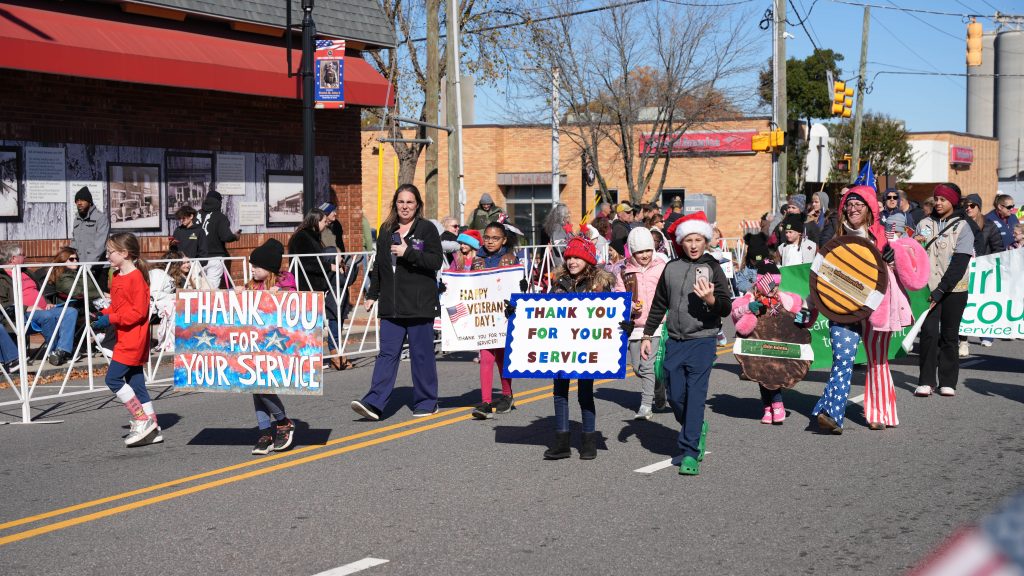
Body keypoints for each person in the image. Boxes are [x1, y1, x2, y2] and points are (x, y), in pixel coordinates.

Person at [811, 186, 930, 434]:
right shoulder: (834, 236)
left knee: (877, 361)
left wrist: (895, 254)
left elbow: (907, 267)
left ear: (869, 209)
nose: (853, 209)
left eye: (859, 204)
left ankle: (879, 412)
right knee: (843, 359)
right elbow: (819, 272)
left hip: (876, 306)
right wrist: (809, 306)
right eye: (849, 205)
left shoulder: (883, 235)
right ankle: (832, 415)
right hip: (842, 308)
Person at [640, 212, 731, 475]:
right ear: (681, 241)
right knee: (676, 396)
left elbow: (725, 307)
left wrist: (712, 300)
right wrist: (647, 335)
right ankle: (696, 425)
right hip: (675, 341)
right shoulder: (671, 267)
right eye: (688, 240)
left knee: (696, 395)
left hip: (702, 340)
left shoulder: (713, 267)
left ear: (705, 241)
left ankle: (689, 451)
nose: (693, 245)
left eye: (698, 240)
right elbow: (659, 304)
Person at [351, 184, 443, 421]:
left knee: (421, 354)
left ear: (417, 205)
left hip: (418, 304)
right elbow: (379, 266)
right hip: (391, 305)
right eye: (401, 202)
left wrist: (408, 252)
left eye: (409, 202)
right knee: (387, 354)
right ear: (395, 204)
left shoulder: (427, 229)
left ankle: (426, 401)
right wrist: (373, 295)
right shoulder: (386, 229)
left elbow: (435, 261)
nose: (405, 206)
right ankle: (374, 402)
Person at [541, 235, 616, 461]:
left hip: (587, 347)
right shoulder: (559, 282)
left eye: (577, 257)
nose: (572, 261)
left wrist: (622, 324)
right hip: (561, 346)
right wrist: (519, 311)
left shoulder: (599, 284)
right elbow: (544, 312)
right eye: (569, 257)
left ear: (588, 259)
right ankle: (562, 441)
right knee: (560, 391)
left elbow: (610, 313)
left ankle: (588, 440)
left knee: (585, 392)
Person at [90, 232, 162, 447]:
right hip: (124, 336)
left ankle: (142, 419)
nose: (108, 256)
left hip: (133, 339)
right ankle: (154, 428)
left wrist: (111, 318)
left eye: (110, 252)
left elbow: (138, 313)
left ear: (124, 253)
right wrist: (103, 315)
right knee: (136, 382)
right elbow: (120, 307)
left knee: (112, 379)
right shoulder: (119, 276)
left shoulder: (136, 278)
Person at [232, 239, 298, 454]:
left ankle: (282, 422)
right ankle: (265, 431)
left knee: (263, 386)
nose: (252, 269)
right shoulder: (252, 285)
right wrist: (239, 293)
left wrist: (281, 293)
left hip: (275, 344)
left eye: (256, 267)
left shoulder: (285, 280)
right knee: (255, 386)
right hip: (254, 343)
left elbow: (295, 299)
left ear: (269, 269)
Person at [914, 183, 974, 398]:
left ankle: (948, 381)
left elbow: (959, 263)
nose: (938, 203)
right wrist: (915, 244)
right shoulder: (923, 223)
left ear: (953, 202)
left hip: (954, 289)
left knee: (949, 335)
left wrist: (942, 290)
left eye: (943, 199)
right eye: (936, 199)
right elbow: (914, 255)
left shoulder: (964, 227)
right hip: (927, 288)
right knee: (929, 334)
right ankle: (926, 381)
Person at [730, 260, 806, 424]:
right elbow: (737, 316)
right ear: (761, 283)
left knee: (775, 373)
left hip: (776, 344)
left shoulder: (782, 298)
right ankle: (767, 408)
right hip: (756, 345)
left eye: (777, 284)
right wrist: (749, 309)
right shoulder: (750, 298)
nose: (774, 288)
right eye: (771, 284)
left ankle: (778, 405)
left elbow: (798, 306)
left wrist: (802, 314)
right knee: (761, 375)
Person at [613, 227, 667, 420]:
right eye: (639, 252)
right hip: (635, 326)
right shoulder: (624, 271)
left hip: (657, 324)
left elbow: (670, 292)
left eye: (647, 251)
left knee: (647, 366)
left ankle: (646, 405)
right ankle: (659, 389)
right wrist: (629, 306)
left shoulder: (662, 267)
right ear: (632, 252)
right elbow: (619, 296)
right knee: (637, 368)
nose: (644, 255)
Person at [470, 222, 522, 419]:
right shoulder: (477, 260)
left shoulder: (510, 259)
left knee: (502, 357)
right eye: (488, 237)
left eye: (496, 238)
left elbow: (517, 285)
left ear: (504, 240)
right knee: (486, 356)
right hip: (485, 315)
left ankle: (507, 395)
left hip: (504, 315)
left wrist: (521, 285)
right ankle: (485, 402)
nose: (490, 241)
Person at [288, 208, 350, 371]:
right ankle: (305, 360)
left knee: (312, 323)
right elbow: (308, 262)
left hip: (313, 284)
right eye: (323, 222)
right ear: (315, 221)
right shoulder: (303, 237)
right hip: (306, 284)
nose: (325, 225)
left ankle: (310, 358)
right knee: (307, 323)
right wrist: (329, 266)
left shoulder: (310, 236)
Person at [0, 242, 80, 366]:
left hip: (43, 309)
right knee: (46, 316)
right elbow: (3, 303)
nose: (26, 257)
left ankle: (62, 351)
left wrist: (47, 302)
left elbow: (38, 292)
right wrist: (27, 308)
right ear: (13, 259)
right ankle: (52, 350)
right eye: (23, 255)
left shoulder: (26, 272)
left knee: (70, 312)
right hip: (21, 315)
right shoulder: (2, 278)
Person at [963, 193, 1003, 352]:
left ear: (979, 208)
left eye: (972, 206)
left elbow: (998, 249)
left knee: (981, 303)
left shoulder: (989, 225)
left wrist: (992, 267)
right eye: (966, 205)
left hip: (983, 272)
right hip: (964, 270)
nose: (968, 208)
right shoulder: (960, 224)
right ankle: (963, 340)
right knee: (964, 305)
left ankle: (985, 332)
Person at [197, 190, 239, 289]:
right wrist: (235, 236)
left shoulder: (195, 215)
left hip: (197, 257)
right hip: (215, 257)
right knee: (211, 289)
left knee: (196, 287)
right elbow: (226, 237)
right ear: (219, 203)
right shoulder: (220, 217)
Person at [71, 185, 110, 290]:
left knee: (99, 299)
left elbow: (100, 245)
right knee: (83, 298)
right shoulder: (77, 219)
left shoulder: (100, 218)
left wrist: (88, 264)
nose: (79, 203)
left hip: (98, 267)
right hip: (80, 266)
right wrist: (70, 258)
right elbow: (74, 241)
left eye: (82, 200)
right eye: (77, 200)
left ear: (89, 202)